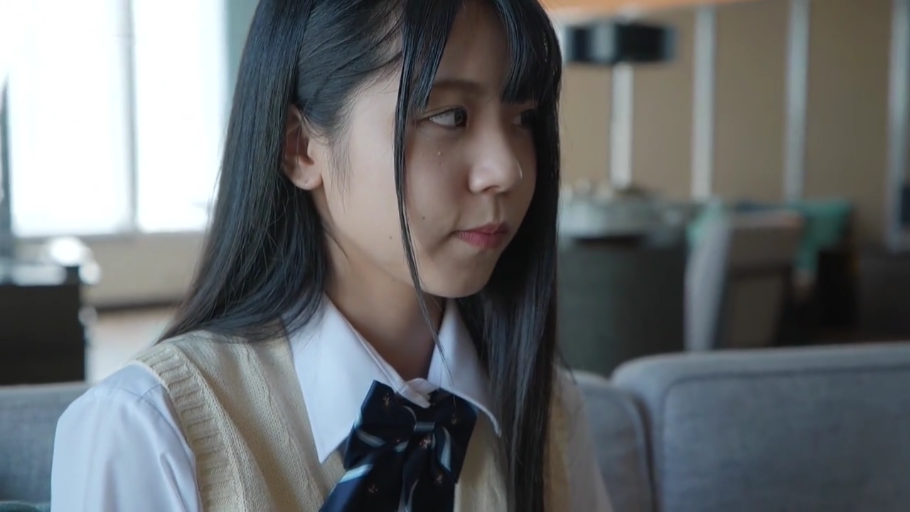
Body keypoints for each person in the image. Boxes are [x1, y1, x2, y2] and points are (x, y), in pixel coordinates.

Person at [50, 0, 613, 510]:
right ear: (300, 147)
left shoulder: (549, 410)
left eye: (523, 119)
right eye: (449, 116)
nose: (507, 169)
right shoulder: (149, 430)